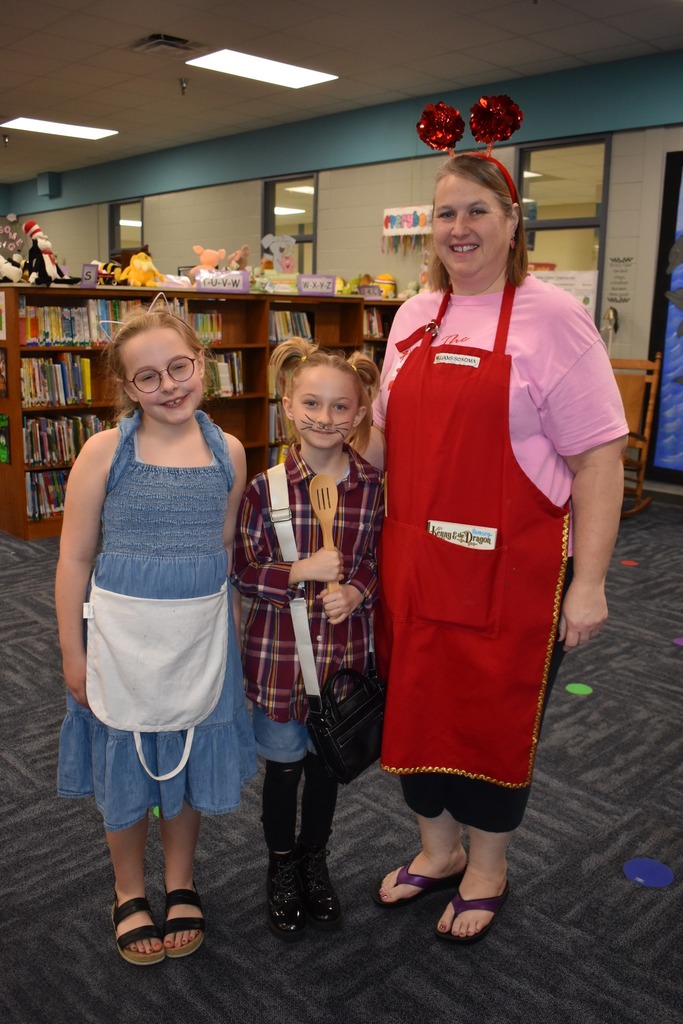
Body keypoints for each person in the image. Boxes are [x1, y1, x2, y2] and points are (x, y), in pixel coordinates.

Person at [368, 151, 628, 944]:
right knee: (414, 709)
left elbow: (597, 461)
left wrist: (589, 584)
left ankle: (487, 865)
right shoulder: (415, 317)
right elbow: (383, 438)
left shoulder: (552, 318)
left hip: (511, 572)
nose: (460, 228)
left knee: (487, 719)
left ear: (513, 223)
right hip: (414, 562)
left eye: (478, 210)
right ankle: (437, 853)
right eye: (446, 213)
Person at [55, 302, 257, 965]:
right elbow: (74, 559)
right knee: (124, 763)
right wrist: (71, 654)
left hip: (199, 639)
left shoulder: (228, 452)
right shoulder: (104, 453)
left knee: (189, 752)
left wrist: (228, 644)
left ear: (203, 363)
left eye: (179, 367)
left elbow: (223, 549)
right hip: (122, 640)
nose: (168, 385)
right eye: (149, 378)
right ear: (126, 387)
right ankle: (128, 890)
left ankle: (180, 881)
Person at [232, 338, 383, 939]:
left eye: (340, 407)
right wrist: (298, 572)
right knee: (285, 771)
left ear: (360, 410)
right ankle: (280, 866)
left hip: (342, 661)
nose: (326, 418)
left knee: (327, 771)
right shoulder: (264, 489)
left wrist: (357, 590)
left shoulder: (371, 486)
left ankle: (315, 858)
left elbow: (376, 559)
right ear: (288, 407)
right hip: (281, 665)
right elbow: (243, 571)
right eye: (312, 404)